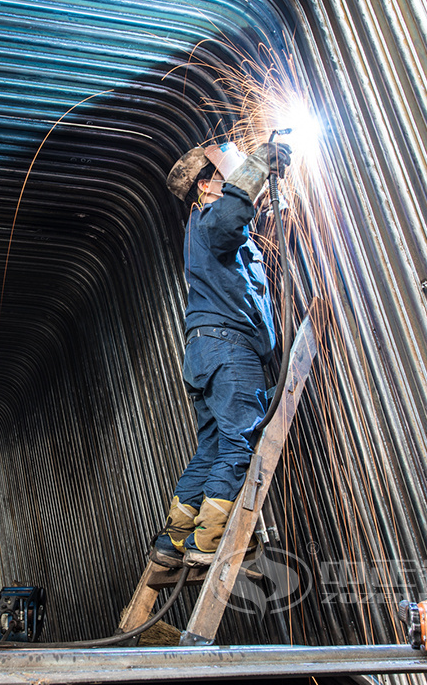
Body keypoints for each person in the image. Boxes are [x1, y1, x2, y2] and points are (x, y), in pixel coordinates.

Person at [152, 140, 290, 568]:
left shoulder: (205, 232)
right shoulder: (212, 220)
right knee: (239, 442)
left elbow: (242, 224)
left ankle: (174, 540)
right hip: (229, 350)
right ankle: (208, 541)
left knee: (211, 447)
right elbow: (233, 213)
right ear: (209, 186)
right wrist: (258, 166)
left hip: (205, 352)